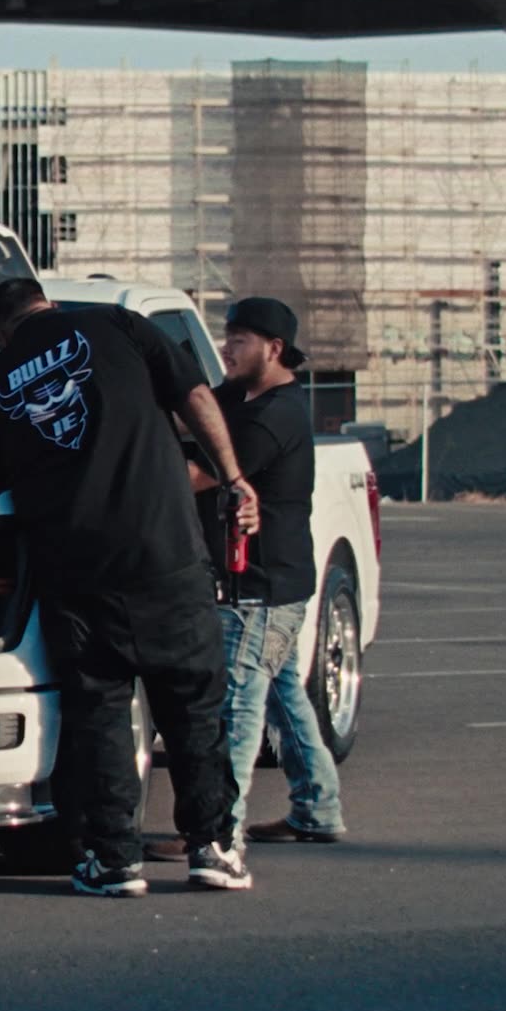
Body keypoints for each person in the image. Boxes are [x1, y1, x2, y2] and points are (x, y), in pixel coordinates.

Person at [0, 277, 261, 897]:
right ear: (46, 303)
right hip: (165, 557)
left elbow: (0, 485)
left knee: (98, 713)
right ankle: (212, 849)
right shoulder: (117, 325)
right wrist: (231, 476)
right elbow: (194, 396)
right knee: (193, 708)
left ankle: (113, 861)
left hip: (75, 571)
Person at [148, 297, 345, 860]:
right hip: (268, 585)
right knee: (286, 700)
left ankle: (217, 832)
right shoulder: (240, 396)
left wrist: (134, 478)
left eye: (239, 340)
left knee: (235, 709)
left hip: (258, 588)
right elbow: (195, 415)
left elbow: (198, 475)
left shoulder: (275, 413)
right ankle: (319, 807)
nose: (227, 348)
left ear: (274, 349)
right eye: (227, 337)